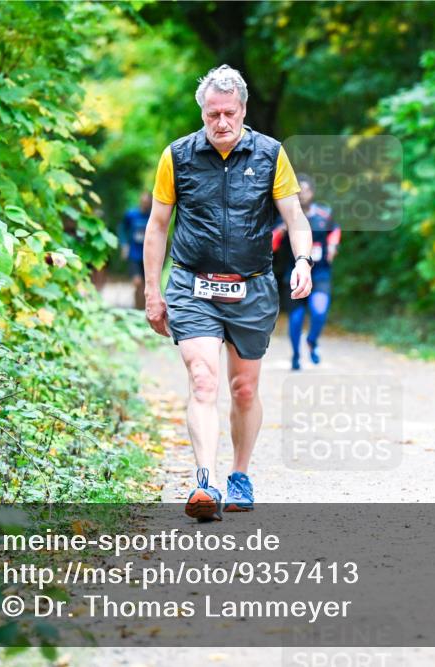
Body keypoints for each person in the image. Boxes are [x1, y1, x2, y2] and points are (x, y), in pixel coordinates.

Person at [143, 65, 313, 521]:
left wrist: (302, 261)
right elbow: (157, 227)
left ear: (243, 110)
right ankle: (206, 482)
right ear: (202, 112)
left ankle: (239, 474)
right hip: (191, 286)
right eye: (213, 113)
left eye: (229, 113)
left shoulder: (271, 154)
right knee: (203, 380)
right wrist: (151, 292)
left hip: (252, 288)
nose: (221, 122)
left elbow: (295, 218)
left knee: (242, 388)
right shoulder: (176, 157)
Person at [272, 174, 341, 370]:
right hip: (293, 274)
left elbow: (335, 230)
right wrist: (282, 231)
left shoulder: (324, 213)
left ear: (313, 192)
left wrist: (334, 245)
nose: (302, 196)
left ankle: (312, 341)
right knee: (295, 318)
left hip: (320, 273)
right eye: (299, 192)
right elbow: (271, 245)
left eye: (306, 191)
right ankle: (295, 354)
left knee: (319, 311)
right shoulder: (285, 216)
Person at [119, 191, 152, 310]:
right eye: (143, 202)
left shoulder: (152, 215)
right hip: (134, 254)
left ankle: (143, 309)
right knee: (137, 282)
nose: (144, 204)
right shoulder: (131, 214)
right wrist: (124, 245)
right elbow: (122, 228)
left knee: (145, 285)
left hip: (148, 255)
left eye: (147, 203)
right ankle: (137, 307)